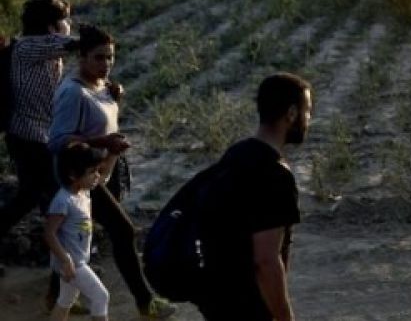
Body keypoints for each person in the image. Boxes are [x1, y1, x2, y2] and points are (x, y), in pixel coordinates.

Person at [48, 24, 176, 319]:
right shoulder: (72, 92)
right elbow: (57, 141)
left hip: (106, 169)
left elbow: (102, 118)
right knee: (123, 230)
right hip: (80, 177)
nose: (106, 64)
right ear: (81, 57)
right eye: (99, 58)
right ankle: (146, 303)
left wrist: (113, 103)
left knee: (80, 234)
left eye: (110, 57)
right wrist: (101, 142)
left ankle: (55, 296)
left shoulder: (103, 86)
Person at [193, 72, 312, 321]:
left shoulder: (236, 154)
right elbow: (266, 262)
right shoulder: (276, 174)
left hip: (217, 299)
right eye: (307, 111)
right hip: (249, 305)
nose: (308, 119)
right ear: (291, 114)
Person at [0, 0, 77, 308]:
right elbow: (78, 43)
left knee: (29, 199)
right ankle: (59, 292)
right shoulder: (31, 47)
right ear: (50, 27)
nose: (67, 25)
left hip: (34, 138)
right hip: (31, 140)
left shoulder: (39, 49)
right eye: (64, 20)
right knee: (59, 209)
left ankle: (60, 285)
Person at [44, 144, 110, 321]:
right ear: (73, 175)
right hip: (73, 263)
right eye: (92, 171)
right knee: (101, 297)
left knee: (66, 300)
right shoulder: (63, 201)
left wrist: (114, 154)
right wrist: (65, 260)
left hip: (77, 260)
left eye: (98, 170)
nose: (97, 175)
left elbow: (103, 177)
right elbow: (49, 233)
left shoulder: (83, 192)